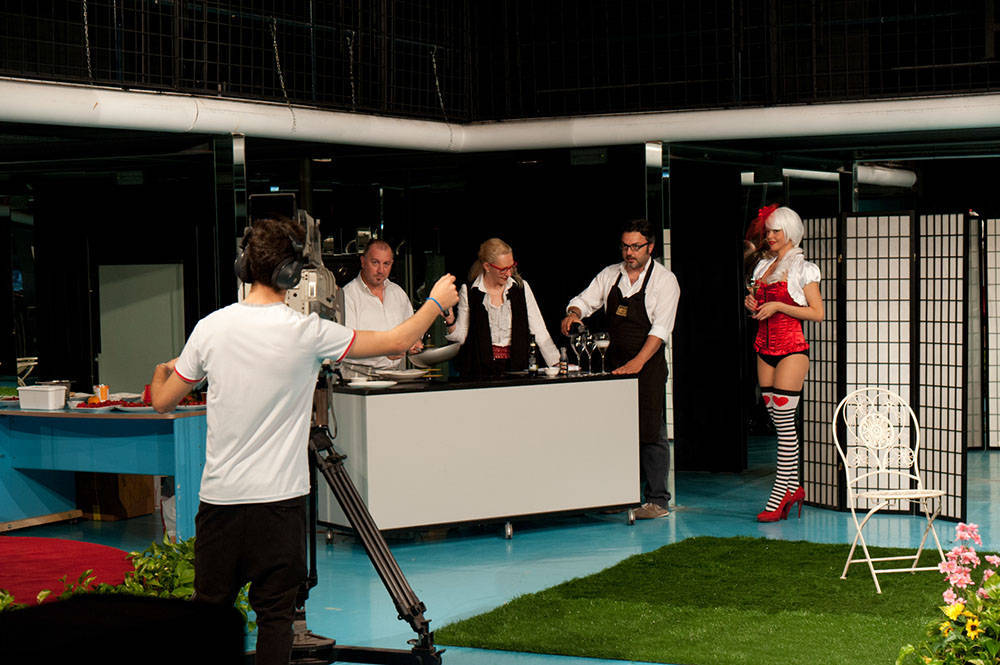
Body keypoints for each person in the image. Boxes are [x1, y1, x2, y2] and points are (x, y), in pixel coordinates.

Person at [148, 216, 458, 665]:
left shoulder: (210, 328)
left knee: (210, 614)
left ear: (243, 266)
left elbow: (162, 401)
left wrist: (162, 370)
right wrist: (435, 301)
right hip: (281, 504)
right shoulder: (307, 333)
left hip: (221, 503)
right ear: (292, 274)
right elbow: (399, 341)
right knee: (276, 617)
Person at [560, 219, 680, 520]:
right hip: (614, 365)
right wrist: (573, 313)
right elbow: (584, 300)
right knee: (615, 431)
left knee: (651, 430)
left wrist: (636, 364)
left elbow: (660, 330)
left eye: (636, 247)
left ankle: (657, 500)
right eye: (625, 246)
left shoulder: (664, 281)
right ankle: (619, 494)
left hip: (647, 365)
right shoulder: (610, 275)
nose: (629, 252)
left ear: (650, 247)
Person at [743, 206, 824, 523]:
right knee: (778, 421)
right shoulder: (764, 266)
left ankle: (779, 495)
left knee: (785, 422)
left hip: (792, 349)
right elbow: (759, 304)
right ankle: (794, 488)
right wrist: (753, 303)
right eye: (768, 231)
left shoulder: (804, 268)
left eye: (776, 231)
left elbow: (817, 313)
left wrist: (778, 305)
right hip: (764, 348)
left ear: (790, 232)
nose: (770, 236)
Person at [445, 237, 559, 377]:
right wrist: (450, 321)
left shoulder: (521, 288)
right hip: (480, 371)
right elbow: (461, 338)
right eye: (503, 269)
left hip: (517, 368)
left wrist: (556, 363)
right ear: (487, 267)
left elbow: (539, 330)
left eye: (511, 267)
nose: (509, 273)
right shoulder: (469, 291)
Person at [340, 239, 421, 377]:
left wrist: (414, 341)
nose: (380, 270)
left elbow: (411, 331)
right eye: (375, 263)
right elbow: (345, 346)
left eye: (386, 264)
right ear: (363, 262)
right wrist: (384, 351)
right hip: (359, 378)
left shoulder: (398, 293)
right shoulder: (347, 296)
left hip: (396, 376)